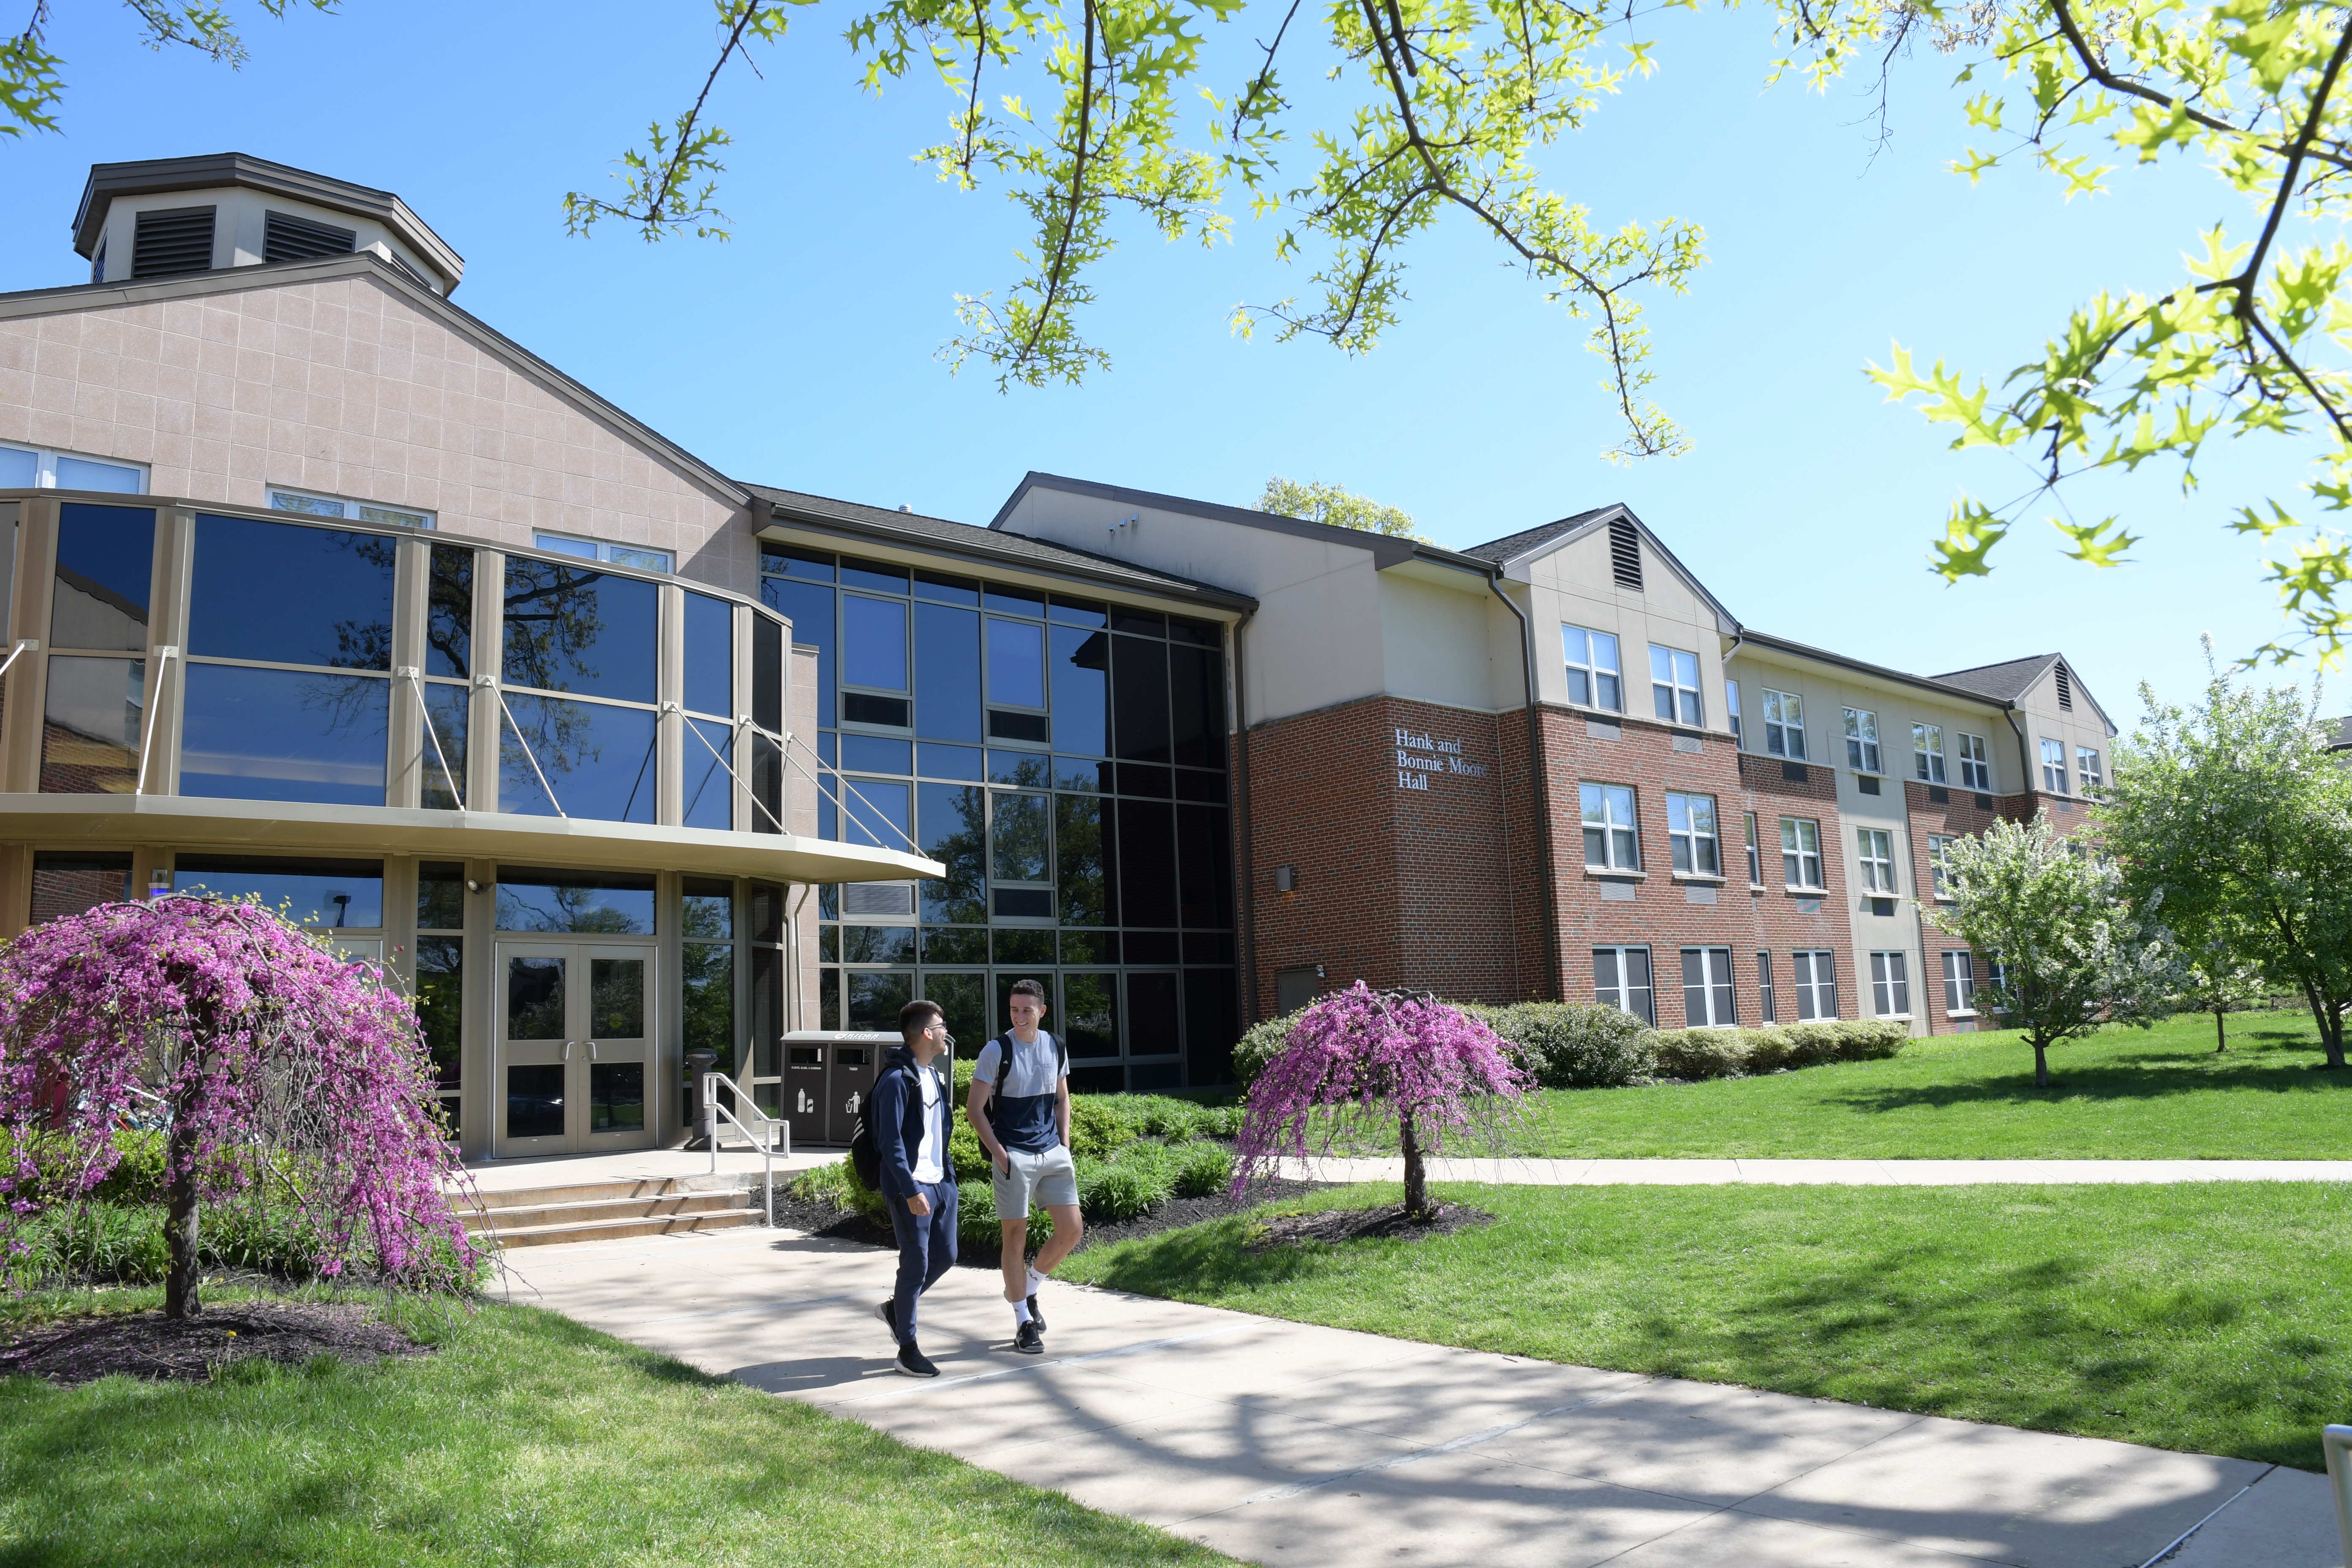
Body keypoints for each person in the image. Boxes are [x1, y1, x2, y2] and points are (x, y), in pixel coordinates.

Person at [966, 977, 1081, 1355]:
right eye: (1014, 1009)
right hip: (1014, 1155)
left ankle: (1030, 1288)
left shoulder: (1056, 1045)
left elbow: (1062, 1098)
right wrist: (1001, 1155)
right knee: (1015, 1239)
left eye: (1026, 1010)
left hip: (1053, 1153)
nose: (1019, 1016)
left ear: (1042, 1011)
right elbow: (974, 1109)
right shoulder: (996, 1050)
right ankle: (1023, 1322)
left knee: (1071, 1231)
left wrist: (1064, 1143)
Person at [871, 998, 958, 1377]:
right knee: (916, 1263)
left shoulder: (933, 1075)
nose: (945, 1033)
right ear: (926, 1033)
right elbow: (889, 1144)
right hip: (911, 1188)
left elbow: (941, 1133)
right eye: (941, 1026)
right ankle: (907, 1349)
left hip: (940, 1185)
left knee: (947, 1256)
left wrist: (949, 1181)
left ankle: (895, 1310)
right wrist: (910, 1190)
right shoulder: (895, 1081)